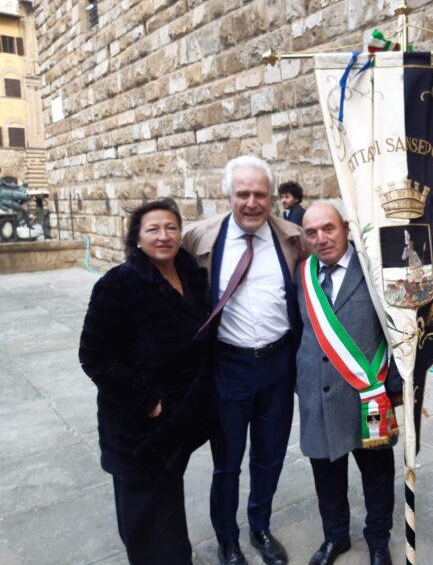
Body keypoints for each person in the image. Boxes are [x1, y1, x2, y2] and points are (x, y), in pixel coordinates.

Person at [183, 157, 305, 565]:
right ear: (228, 196)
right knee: (227, 463)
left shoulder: (292, 238)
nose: (252, 203)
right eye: (243, 194)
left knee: (269, 457)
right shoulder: (198, 238)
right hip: (228, 368)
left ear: (272, 197)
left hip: (277, 366)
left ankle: (260, 527)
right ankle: (228, 539)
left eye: (260, 194)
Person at [79, 199, 213, 565]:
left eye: (171, 227)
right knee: (145, 520)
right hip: (136, 430)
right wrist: (147, 401)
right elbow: (94, 356)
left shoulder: (190, 275)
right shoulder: (118, 284)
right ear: (137, 238)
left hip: (175, 424)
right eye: (153, 229)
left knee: (167, 505)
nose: (163, 236)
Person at [296, 203, 402, 565]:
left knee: (377, 475)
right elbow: (298, 328)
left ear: (344, 227)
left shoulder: (373, 269)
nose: (321, 239)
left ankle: (377, 541)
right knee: (326, 475)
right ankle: (335, 537)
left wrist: (395, 385)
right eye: (311, 233)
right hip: (318, 395)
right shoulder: (303, 274)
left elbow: (400, 331)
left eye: (328, 228)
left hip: (367, 397)